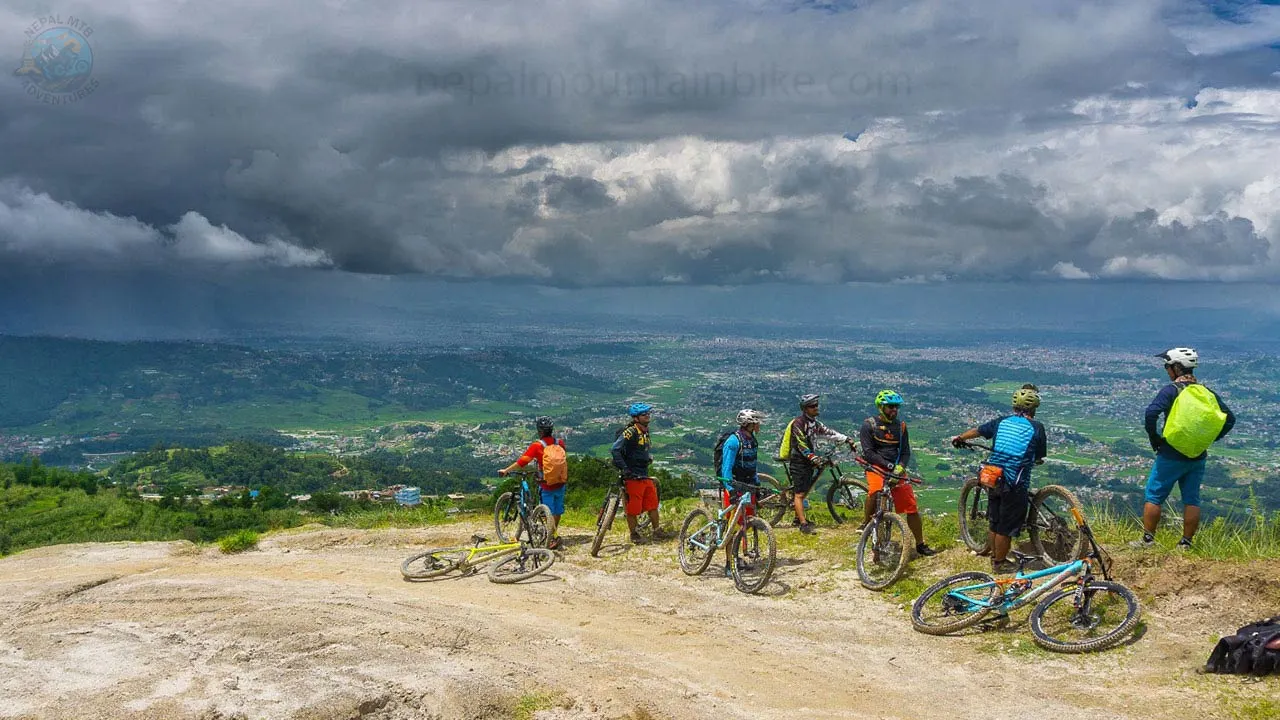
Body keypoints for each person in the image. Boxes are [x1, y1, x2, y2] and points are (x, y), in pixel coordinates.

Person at [1133, 348, 1235, 550]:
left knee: (1154, 496)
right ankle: (1186, 543)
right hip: (1197, 456)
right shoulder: (1206, 392)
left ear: (1176, 368)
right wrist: (1206, 440)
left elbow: (1151, 414)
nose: (1166, 369)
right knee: (1192, 499)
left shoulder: (1171, 390)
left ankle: (1147, 541)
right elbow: (1229, 419)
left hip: (1170, 454)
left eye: (1167, 366)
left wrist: (1155, 439)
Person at [950, 385, 1047, 574]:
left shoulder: (1001, 421)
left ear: (1014, 406)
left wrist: (960, 438)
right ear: (1034, 408)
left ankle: (996, 559)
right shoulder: (1037, 427)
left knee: (995, 521)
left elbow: (978, 431)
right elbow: (1040, 454)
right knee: (1006, 527)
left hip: (993, 477)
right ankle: (1000, 564)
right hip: (1014, 482)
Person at [860, 390, 937, 557]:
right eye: (891, 407)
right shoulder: (869, 425)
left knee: (911, 507)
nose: (894, 410)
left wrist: (900, 467)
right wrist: (888, 465)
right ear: (881, 407)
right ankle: (866, 523)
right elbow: (869, 453)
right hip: (876, 467)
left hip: (896, 469)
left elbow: (905, 452)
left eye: (896, 407)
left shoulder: (901, 427)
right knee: (875, 491)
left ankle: (920, 544)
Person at [780, 393, 857, 535]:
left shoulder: (815, 424)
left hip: (808, 461)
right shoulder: (798, 423)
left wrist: (846, 439)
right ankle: (803, 525)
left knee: (804, 490)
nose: (816, 408)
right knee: (799, 494)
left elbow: (829, 433)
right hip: (799, 461)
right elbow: (801, 444)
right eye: (812, 406)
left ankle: (798, 517)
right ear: (805, 409)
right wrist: (813, 457)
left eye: (816, 405)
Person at [499, 415, 568, 550]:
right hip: (560, 482)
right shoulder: (560, 443)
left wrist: (506, 470)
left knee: (547, 512)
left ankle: (551, 538)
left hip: (546, 484)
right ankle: (552, 533)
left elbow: (522, 462)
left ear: (539, 431)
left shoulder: (537, 446)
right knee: (557, 510)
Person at [719, 408, 766, 576]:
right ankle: (728, 564)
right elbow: (726, 469)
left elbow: (752, 467)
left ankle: (739, 556)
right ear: (749, 424)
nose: (759, 425)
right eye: (756, 422)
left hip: (748, 487)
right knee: (732, 527)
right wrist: (730, 490)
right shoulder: (733, 441)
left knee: (745, 524)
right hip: (735, 487)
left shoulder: (752, 441)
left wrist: (757, 486)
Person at [611, 402, 666, 544]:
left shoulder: (645, 431)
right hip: (633, 476)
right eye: (644, 414)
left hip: (644, 474)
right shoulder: (631, 432)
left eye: (648, 413)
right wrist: (624, 468)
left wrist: (647, 458)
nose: (647, 416)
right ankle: (634, 534)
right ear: (636, 418)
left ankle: (657, 531)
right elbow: (615, 450)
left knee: (652, 504)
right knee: (633, 508)